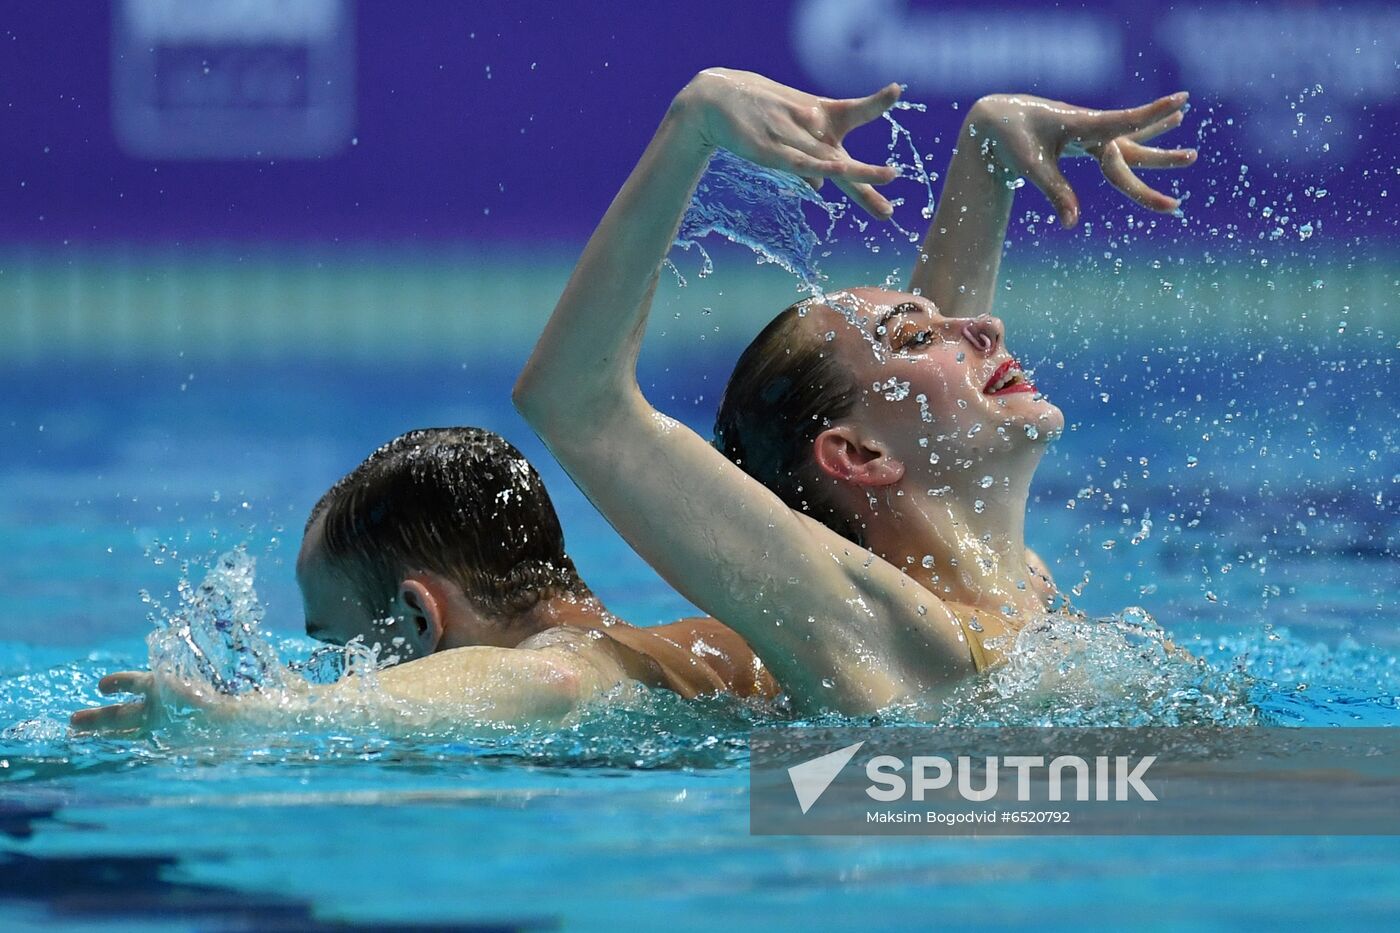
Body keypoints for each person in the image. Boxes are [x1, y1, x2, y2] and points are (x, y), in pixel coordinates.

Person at [513, 69, 1194, 714]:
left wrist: (989, 149)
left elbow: (925, 418)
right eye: (917, 339)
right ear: (858, 455)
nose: (985, 325)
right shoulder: (868, 620)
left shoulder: (1016, 589)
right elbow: (574, 401)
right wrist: (694, 123)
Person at [71, 428, 778, 732]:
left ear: (418, 617)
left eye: (341, 649)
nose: (337, 669)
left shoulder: (573, 659)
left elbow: (546, 682)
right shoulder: (731, 638)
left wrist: (262, 716)